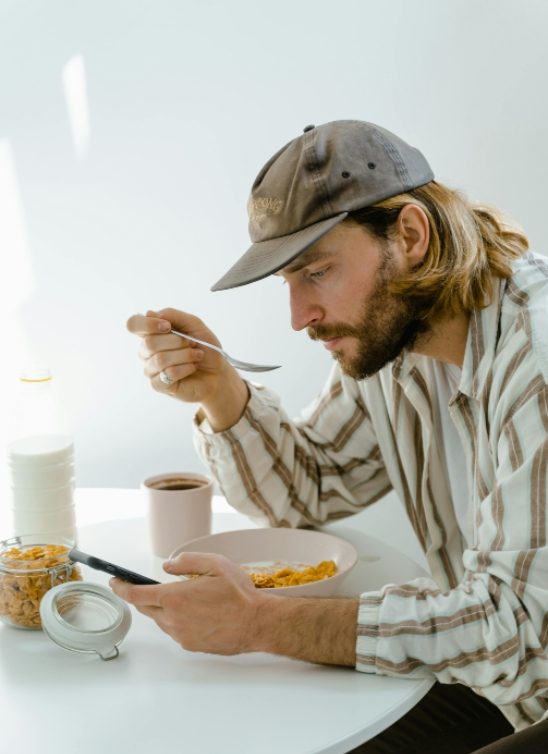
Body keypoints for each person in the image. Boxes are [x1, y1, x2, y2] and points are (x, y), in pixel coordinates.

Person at [115, 120, 548, 753]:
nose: (299, 317)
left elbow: (519, 629)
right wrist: (220, 391)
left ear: (410, 235)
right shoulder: (400, 339)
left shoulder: (534, 360)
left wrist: (261, 623)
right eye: (286, 282)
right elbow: (314, 486)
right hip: (492, 678)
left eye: (316, 272)